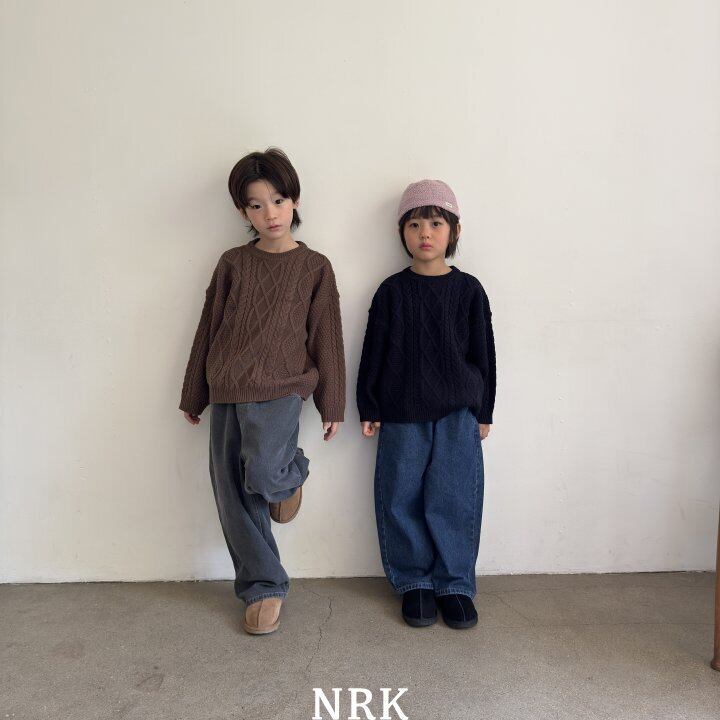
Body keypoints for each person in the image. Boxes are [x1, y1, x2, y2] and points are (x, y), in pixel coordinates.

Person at [179, 147, 345, 635]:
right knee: (232, 493)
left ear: (295, 201)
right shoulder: (232, 262)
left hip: (282, 387)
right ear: (243, 212)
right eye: (256, 205)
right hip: (228, 384)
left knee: (266, 472)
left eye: (278, 200)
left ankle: (290, 478)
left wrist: (332, 403)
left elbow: (327, 336)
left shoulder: (315, 266)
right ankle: (263, 586)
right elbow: (209, 326)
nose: (270, 213)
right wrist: (194, 393)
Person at [356, 179, 496, 629]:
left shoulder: (469, 290)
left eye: (435, 224)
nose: (425, 234)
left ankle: (454, 584)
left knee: (454, 497)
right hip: (400, 412)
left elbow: (484, 354)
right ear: (402, 232)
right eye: (414, 225)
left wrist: (485, 411)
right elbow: (374, 351)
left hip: (458, 413)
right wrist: (368, 404)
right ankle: (414, 581)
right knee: (401, 496)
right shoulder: (391, 291)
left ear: (454, 231)